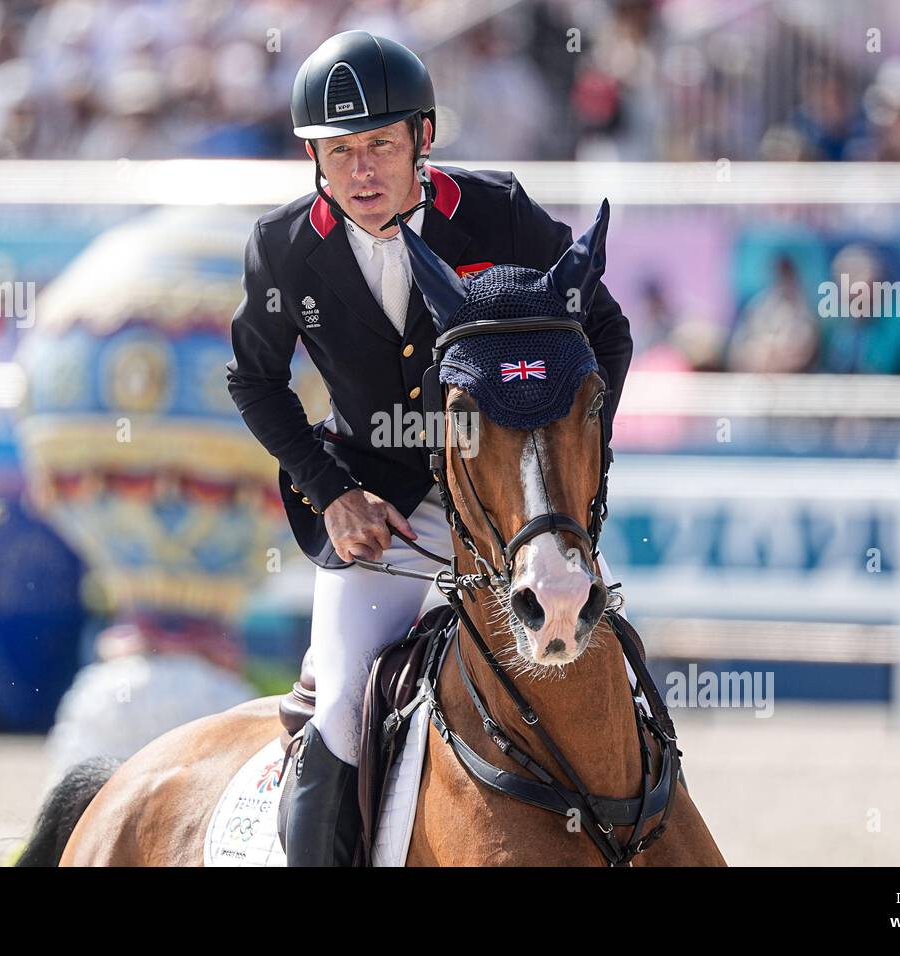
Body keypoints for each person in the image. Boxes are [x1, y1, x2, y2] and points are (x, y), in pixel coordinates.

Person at [225, 30, 633, 866]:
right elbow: (256, 382)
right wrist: (331, 494)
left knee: (610, 684)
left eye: (380, 144)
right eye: (338, 152)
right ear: (313, 158)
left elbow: (607, 332)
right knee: (338, 704)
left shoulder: (498, 212)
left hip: (514, 510)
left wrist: (573, 477)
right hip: (383, 521)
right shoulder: (283, 249)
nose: (361, 172)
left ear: (425, 138)